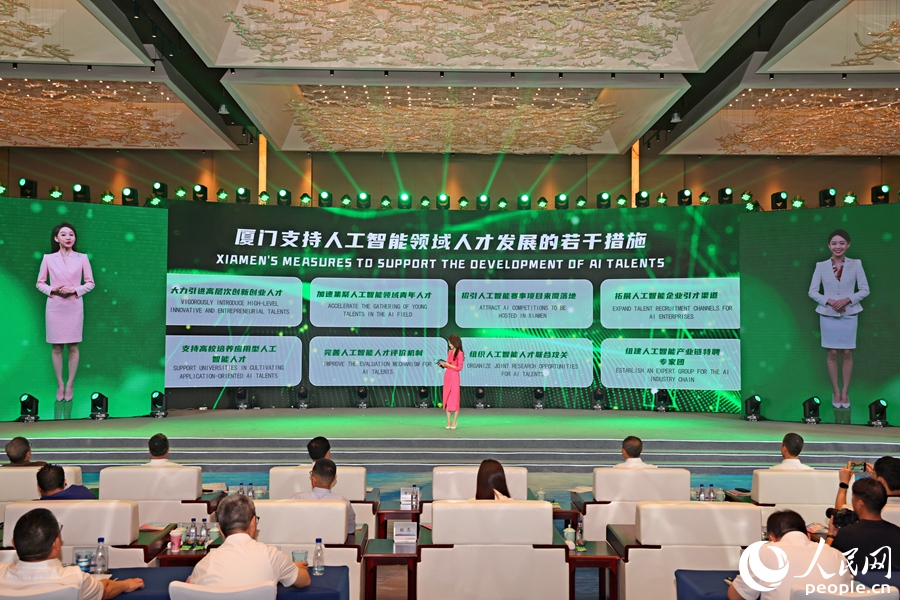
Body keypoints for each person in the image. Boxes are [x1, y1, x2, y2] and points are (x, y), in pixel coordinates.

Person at [0, 508, 143, 599]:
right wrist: (126, 584)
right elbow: (105, 589)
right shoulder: (75, 579)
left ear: (14, 544)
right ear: (56, 544)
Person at [808, 229, 869, 423]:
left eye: (842, 243)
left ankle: (845, 392)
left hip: (849, 313)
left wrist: (847, 299)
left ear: (848, 245)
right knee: (832, 352)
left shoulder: (856, 264)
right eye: (834, 243)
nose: (838, 246)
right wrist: (829, 301)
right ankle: (836, 391)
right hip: (828, 313)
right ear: (829, 246)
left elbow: (865, 289)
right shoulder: (821, 266)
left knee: (847, 352)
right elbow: (812, 291)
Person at [36, 222, 95, 420]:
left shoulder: (82, 258)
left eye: (71, 234)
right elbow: (40, 283)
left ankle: (70, 384)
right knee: (56, 347)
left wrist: (75, 290)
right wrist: (52, 289)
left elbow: (90, 283)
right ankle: (60, 384)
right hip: (55, 305)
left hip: (74, 305)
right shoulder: (48, 258)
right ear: (56, 238)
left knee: (73, 346)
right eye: (63, 234)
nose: (68, 237)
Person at [188, 494, 310, 589]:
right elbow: (304, 581)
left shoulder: (204, 565)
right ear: (253, 523)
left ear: (220, 529)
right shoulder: (272, 556)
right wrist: (290, 567)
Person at [728, 510, 851, 600]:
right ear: (808, 536)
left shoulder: (765, 552)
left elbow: (735, 596)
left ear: (771, 538)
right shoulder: (837, 555)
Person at [827, 477, 900, 588]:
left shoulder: (846, 534)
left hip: (857, 593)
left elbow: (830, 566)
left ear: (860, 503)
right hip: (894, 594)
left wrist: (831, 536)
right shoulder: (897, 533)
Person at [291, 458, 356, 540]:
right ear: (334, 478)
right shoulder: (343, 501)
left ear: (313, 479)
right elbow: (350, 530)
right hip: (333, 544)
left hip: (303, 543)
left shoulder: (297, 499)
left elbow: (291, 526)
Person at [833, 456, 900, 509]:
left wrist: (843, 483)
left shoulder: (873, 507)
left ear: (881, 480)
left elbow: (840, 517)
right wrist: (874, 474)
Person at [439, 334, 464, 430]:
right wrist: (442, 365)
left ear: (455, 343)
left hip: (454, 376)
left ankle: (454, 421)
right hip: (447, 375)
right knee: (447, 397)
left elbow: (459, 367)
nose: (449, 345)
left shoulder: (460, 353)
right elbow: (447, 365)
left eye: (450, 343)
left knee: (455, 398)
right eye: (449, 343)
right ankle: (448, 421)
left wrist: (448, 365)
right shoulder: (449, 352)